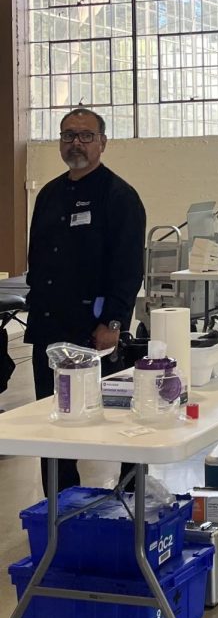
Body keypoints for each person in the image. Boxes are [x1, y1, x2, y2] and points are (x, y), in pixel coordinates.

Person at [26, 109, 146, 494]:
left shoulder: (119, 197)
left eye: (85, 136)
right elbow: (38, 258)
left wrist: (112, 322)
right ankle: (59, 511)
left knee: (111, 422)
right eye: (68, 135)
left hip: (93, 333)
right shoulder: (48, 194)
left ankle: (128, 504)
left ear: (102, 143)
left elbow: (128, 268)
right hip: (49, 329)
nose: (76, 143)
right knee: (54, 427)